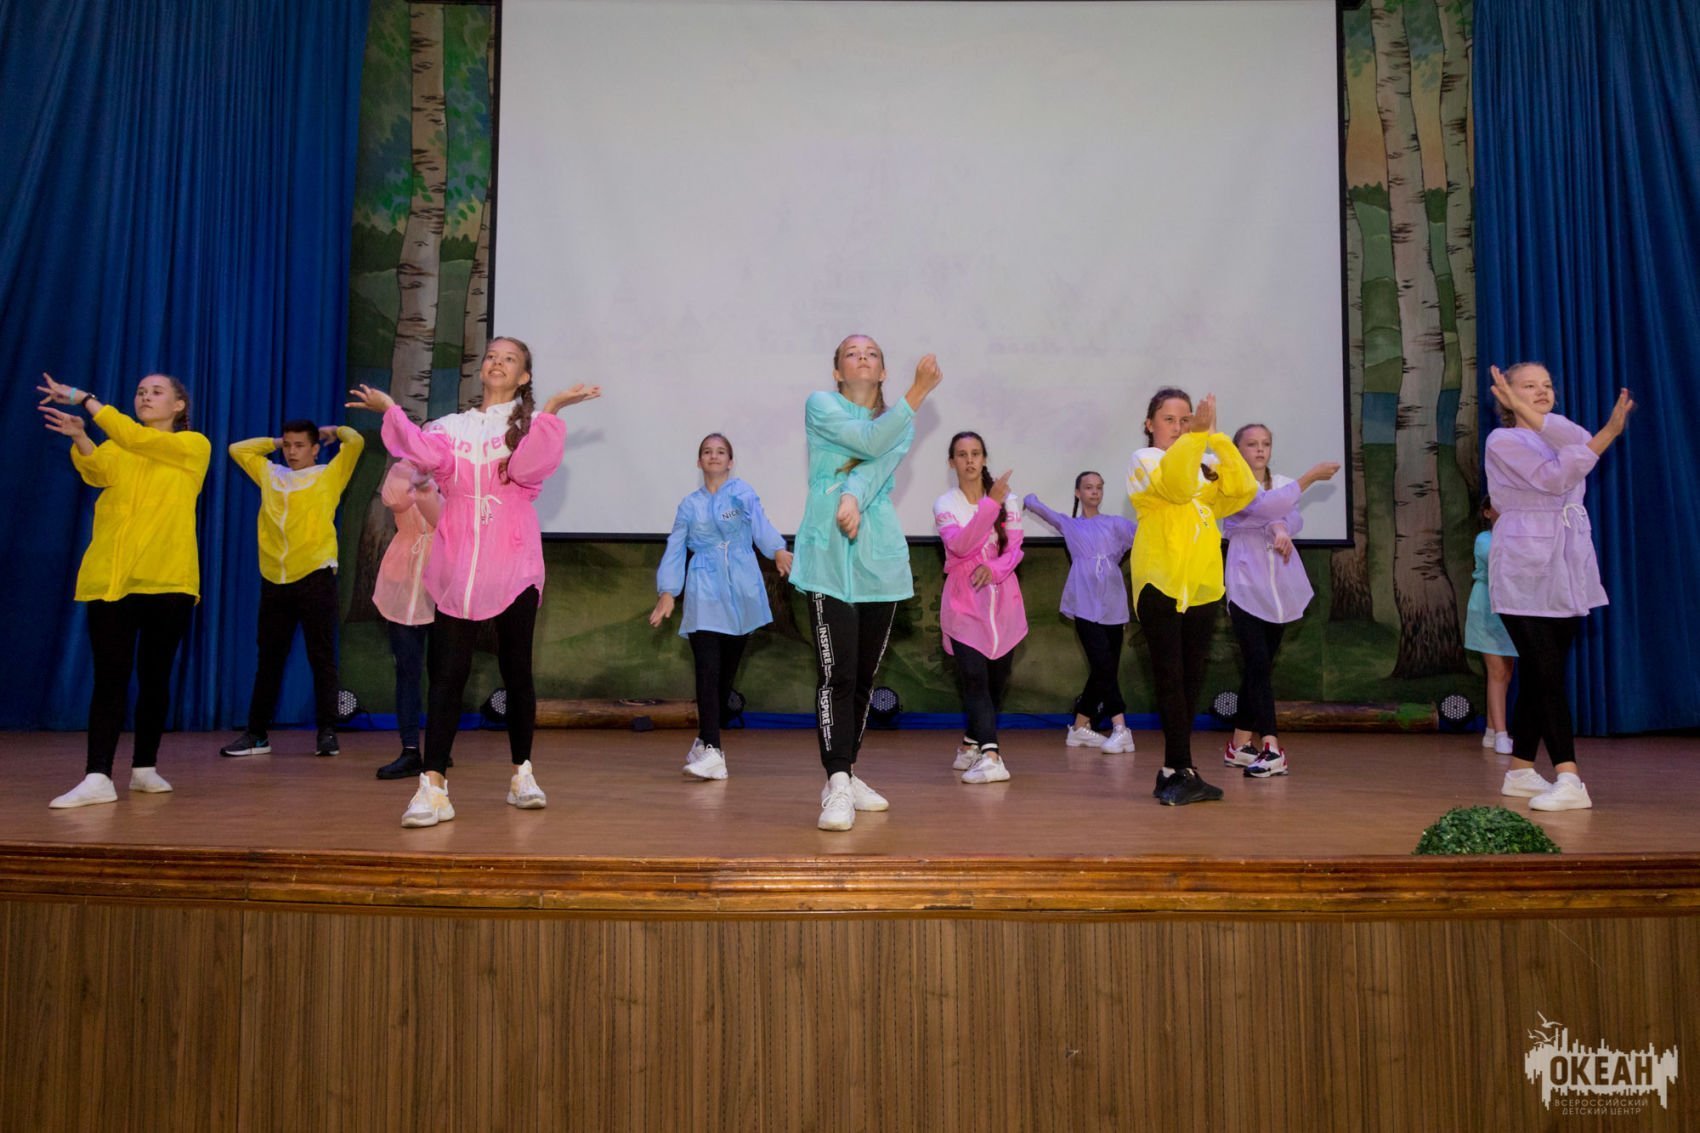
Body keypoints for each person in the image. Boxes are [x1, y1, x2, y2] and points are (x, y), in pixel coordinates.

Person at [347, 337, 601, 827]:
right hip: (458, 563)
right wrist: (391, 410)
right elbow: (425, 455)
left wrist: (550, 409)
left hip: (514, 562)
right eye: (491, 356)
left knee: (516, 670)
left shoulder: (528, 426)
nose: (497, 362)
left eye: (510, 359)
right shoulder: (450, 427)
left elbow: (526, 469)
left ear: (524, 376)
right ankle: (433, 786)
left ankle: (522, 773)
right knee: (446, 674)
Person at [790, 335, 942, 831]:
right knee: (836, 675)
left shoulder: (899, 423)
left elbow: (876, 467)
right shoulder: (821, 405)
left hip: (878, 558)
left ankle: (848, 771)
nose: (862, 358)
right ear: (837, 372)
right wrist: (917, 393)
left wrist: (853, 494)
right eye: (851, 354)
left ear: (882, 372)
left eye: (872, 354)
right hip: (828, 557)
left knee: (862, 678)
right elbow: (870, 442)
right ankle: (836, 781)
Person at [37, 372, 210, 808]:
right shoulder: (119, 445)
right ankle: (98, 775)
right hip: (112, 580)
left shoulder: (192, 445)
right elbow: (98, 472)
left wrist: (86, 399)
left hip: (167, 579)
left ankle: (145, 767)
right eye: (140, 392)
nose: (145, 397)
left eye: (156, 392)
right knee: (110, 678)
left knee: (155, 677)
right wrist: (81, 438)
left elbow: (136, 438)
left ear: (178, 406)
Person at [1485, 362, 1633, 811]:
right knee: (1545, 671)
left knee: (1539, 674)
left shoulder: (1556, 432)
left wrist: (1601, 434)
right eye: (1528, 386)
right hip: (1524, 568)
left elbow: (1579, 442)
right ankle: (1569, 777)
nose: (1542, 391)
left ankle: (1520, 771)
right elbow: (1556, 478)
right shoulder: (1503, 440)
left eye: (1547, 385)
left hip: (1566, 565)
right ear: (1505, 393)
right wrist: (1606, 435)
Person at [1127, 387, 1256, 805]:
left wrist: (1215, 437)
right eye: (1170, 420)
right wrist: (1196, 438)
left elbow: (1244, 490)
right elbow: (1178, 487)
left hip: (1201, 587)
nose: (1179, 427)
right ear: (1150, 424)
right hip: (1160, 583)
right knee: (1170, 676)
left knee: (1191, 677)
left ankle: (1175, 770)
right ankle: (1180, 768)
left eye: (1186, 420)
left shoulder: (1204, 461)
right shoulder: (1146, 459)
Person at [648, 433, 793, 780]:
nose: (713, 456)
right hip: (704, 588)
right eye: (707, 452)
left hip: (742, 588)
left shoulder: (743, 493)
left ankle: (704, 740)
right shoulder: (689, 506)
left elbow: (761, 526)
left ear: (730, 461)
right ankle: (714, 751)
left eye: (720, 452)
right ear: (699, 462)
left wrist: (777, 549)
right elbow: (676, 547)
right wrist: (668, 591)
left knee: (725, 675)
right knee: (707, 670)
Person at [220, 419, 364, 758]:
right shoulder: (271, 474)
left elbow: (355, 441)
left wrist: (334, 431)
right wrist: (274, 441)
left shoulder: (329, 475)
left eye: (300, 446)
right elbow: (237, 449)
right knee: (269, 660)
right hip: (275, 581)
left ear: (315, 449)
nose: (292, 451)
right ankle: (257, 735)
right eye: (288, 445)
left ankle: (327, 732)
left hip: (315, 577)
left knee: (321, 658)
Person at [1219, 424, 1339, 778]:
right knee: (1257, 662)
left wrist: (1283, 528)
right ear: (1237, 451)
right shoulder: (1230, 485)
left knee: (1260, 666)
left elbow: (1290, 515)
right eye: (1252, 444)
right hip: (1245, 585)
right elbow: (1260, 509)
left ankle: (1239, 744)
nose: (1260, 450)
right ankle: (1271, 747)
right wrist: (1309, 478)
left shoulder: (1282, 483)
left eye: (1266, 443)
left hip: (1279, 588)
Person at [1023, 472, 1138, 755]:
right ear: (1078, 492)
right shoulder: (1071, 525)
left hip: (1113, 603)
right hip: (1085, 603)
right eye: (1088, 487)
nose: (1094, 492)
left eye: (1099, 487)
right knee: (1102, 665)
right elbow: (1042, 509)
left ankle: (1078, 728)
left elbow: (1143, 534)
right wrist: (1027, 500)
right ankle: (1120, 727)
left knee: (1104, 668)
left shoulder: (1116, 524)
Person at [934, 432, 1026, 783]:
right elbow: (960, 546)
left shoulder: (1009, 500)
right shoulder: (945, 504)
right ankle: (991, 755)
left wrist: (995, 569)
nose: (969, 460)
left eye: (975, 453)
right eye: (962, 454)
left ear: (984, 458)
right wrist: (990, 504)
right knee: (974, 677)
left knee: (996, 680)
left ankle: (971, 742)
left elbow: (1014, 549)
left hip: (1004, 604)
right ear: (952, 462)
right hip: (964, 602)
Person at [372, 458, 442, 779]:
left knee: (444, 673)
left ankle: (440, 748)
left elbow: (444, 517)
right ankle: (410, 749)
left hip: (443, 577)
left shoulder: (456, 467)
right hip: (402, 580)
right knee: (407, 669)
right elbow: (394, 499)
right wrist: (416, 471)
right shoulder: (401, 469)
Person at [1464, 494, 1517, 757]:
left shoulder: (1515, 538)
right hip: (1487, 607)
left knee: (1506, 673)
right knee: (1496, 671)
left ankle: (1491, 730)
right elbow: (1502, 561)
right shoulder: (1484, 539)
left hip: (1511, 608)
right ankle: (1503, 735)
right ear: (1486, 513)